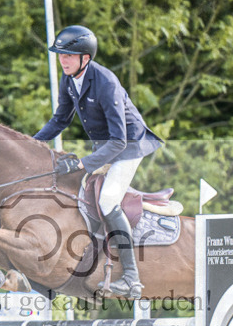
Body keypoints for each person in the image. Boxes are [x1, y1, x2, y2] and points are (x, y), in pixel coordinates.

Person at [34, 25, 162, 299]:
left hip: (129, 146)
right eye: (60, 55)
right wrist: (31, 144)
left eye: (68, 56)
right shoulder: (69, 78)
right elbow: (60, 120)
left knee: (107, 201)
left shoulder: (106, 83)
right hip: (105, 147)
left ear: (86, 58)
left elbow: (119, 141)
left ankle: (131, 278)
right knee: (75, 194)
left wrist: (83, 164)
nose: (63, 60)